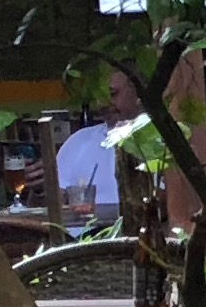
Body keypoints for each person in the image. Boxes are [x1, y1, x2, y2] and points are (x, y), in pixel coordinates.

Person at [52, 74, 142, 222]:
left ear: (138, 92)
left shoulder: (158, 141)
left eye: (112, 94)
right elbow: (51, 205)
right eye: (98, 98)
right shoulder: (79, 140)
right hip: (82, 235)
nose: (103, 104)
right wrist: (40, 191)